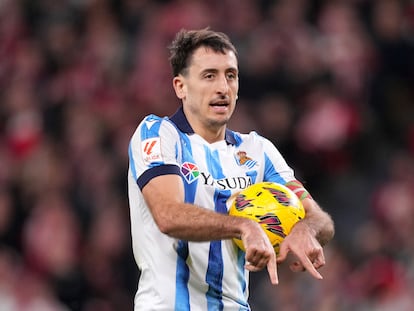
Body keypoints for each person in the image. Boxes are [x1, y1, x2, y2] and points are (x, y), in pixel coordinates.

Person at [127, 28, 334, 310]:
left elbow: (320, 219)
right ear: (180, 87)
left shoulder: (258, 150)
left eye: (231, 76)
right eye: (209, 75)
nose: (223, 88)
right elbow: (168, 215)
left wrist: (304, 229)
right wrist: (243, 226)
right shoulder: (157, 134)